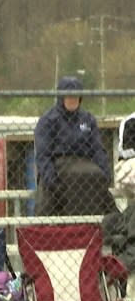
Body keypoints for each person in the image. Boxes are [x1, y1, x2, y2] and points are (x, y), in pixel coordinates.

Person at [34, 76, 116, 216]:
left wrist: (105, 175)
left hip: (86, 166)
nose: (73, 100)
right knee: (47, 204)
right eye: (69, 96)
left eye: (76, 96)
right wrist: (53, 182)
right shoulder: (48, 120)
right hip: (59, 168)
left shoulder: (88, 119)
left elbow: (97, 150)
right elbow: (43, 155)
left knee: (97, 183)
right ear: (61, 97)